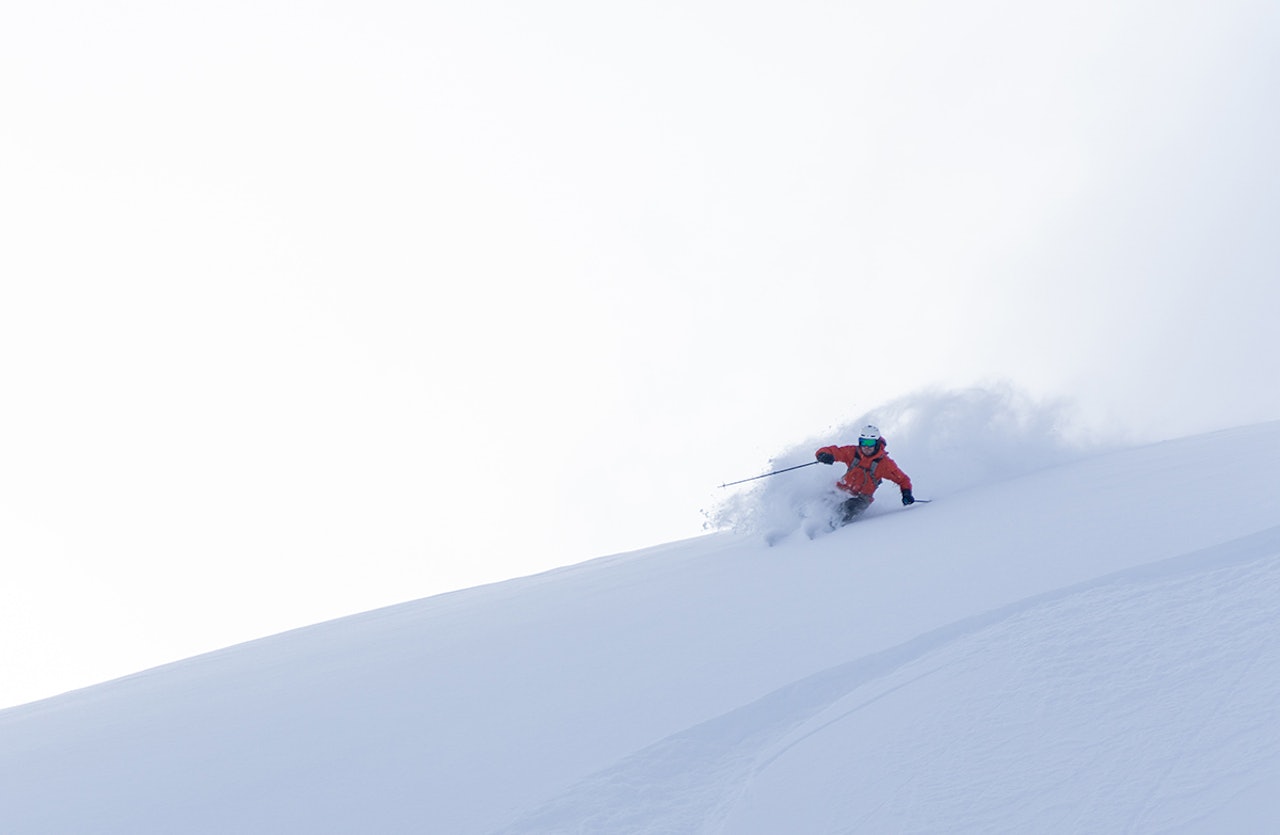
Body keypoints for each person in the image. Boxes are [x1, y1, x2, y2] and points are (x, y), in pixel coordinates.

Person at [815, 424, 914, 525]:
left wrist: (906, 493)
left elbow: (903, 480)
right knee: (822, 501)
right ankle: (808, 521)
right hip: (842, 489)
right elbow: (834, 451)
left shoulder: (884, 464)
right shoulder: (853, 452)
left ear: (877, 443)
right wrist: (824, 454)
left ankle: (829, 529)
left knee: (847, 508)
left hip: (861, 498)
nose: (866, 447)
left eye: (870, 443)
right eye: (863, 442)